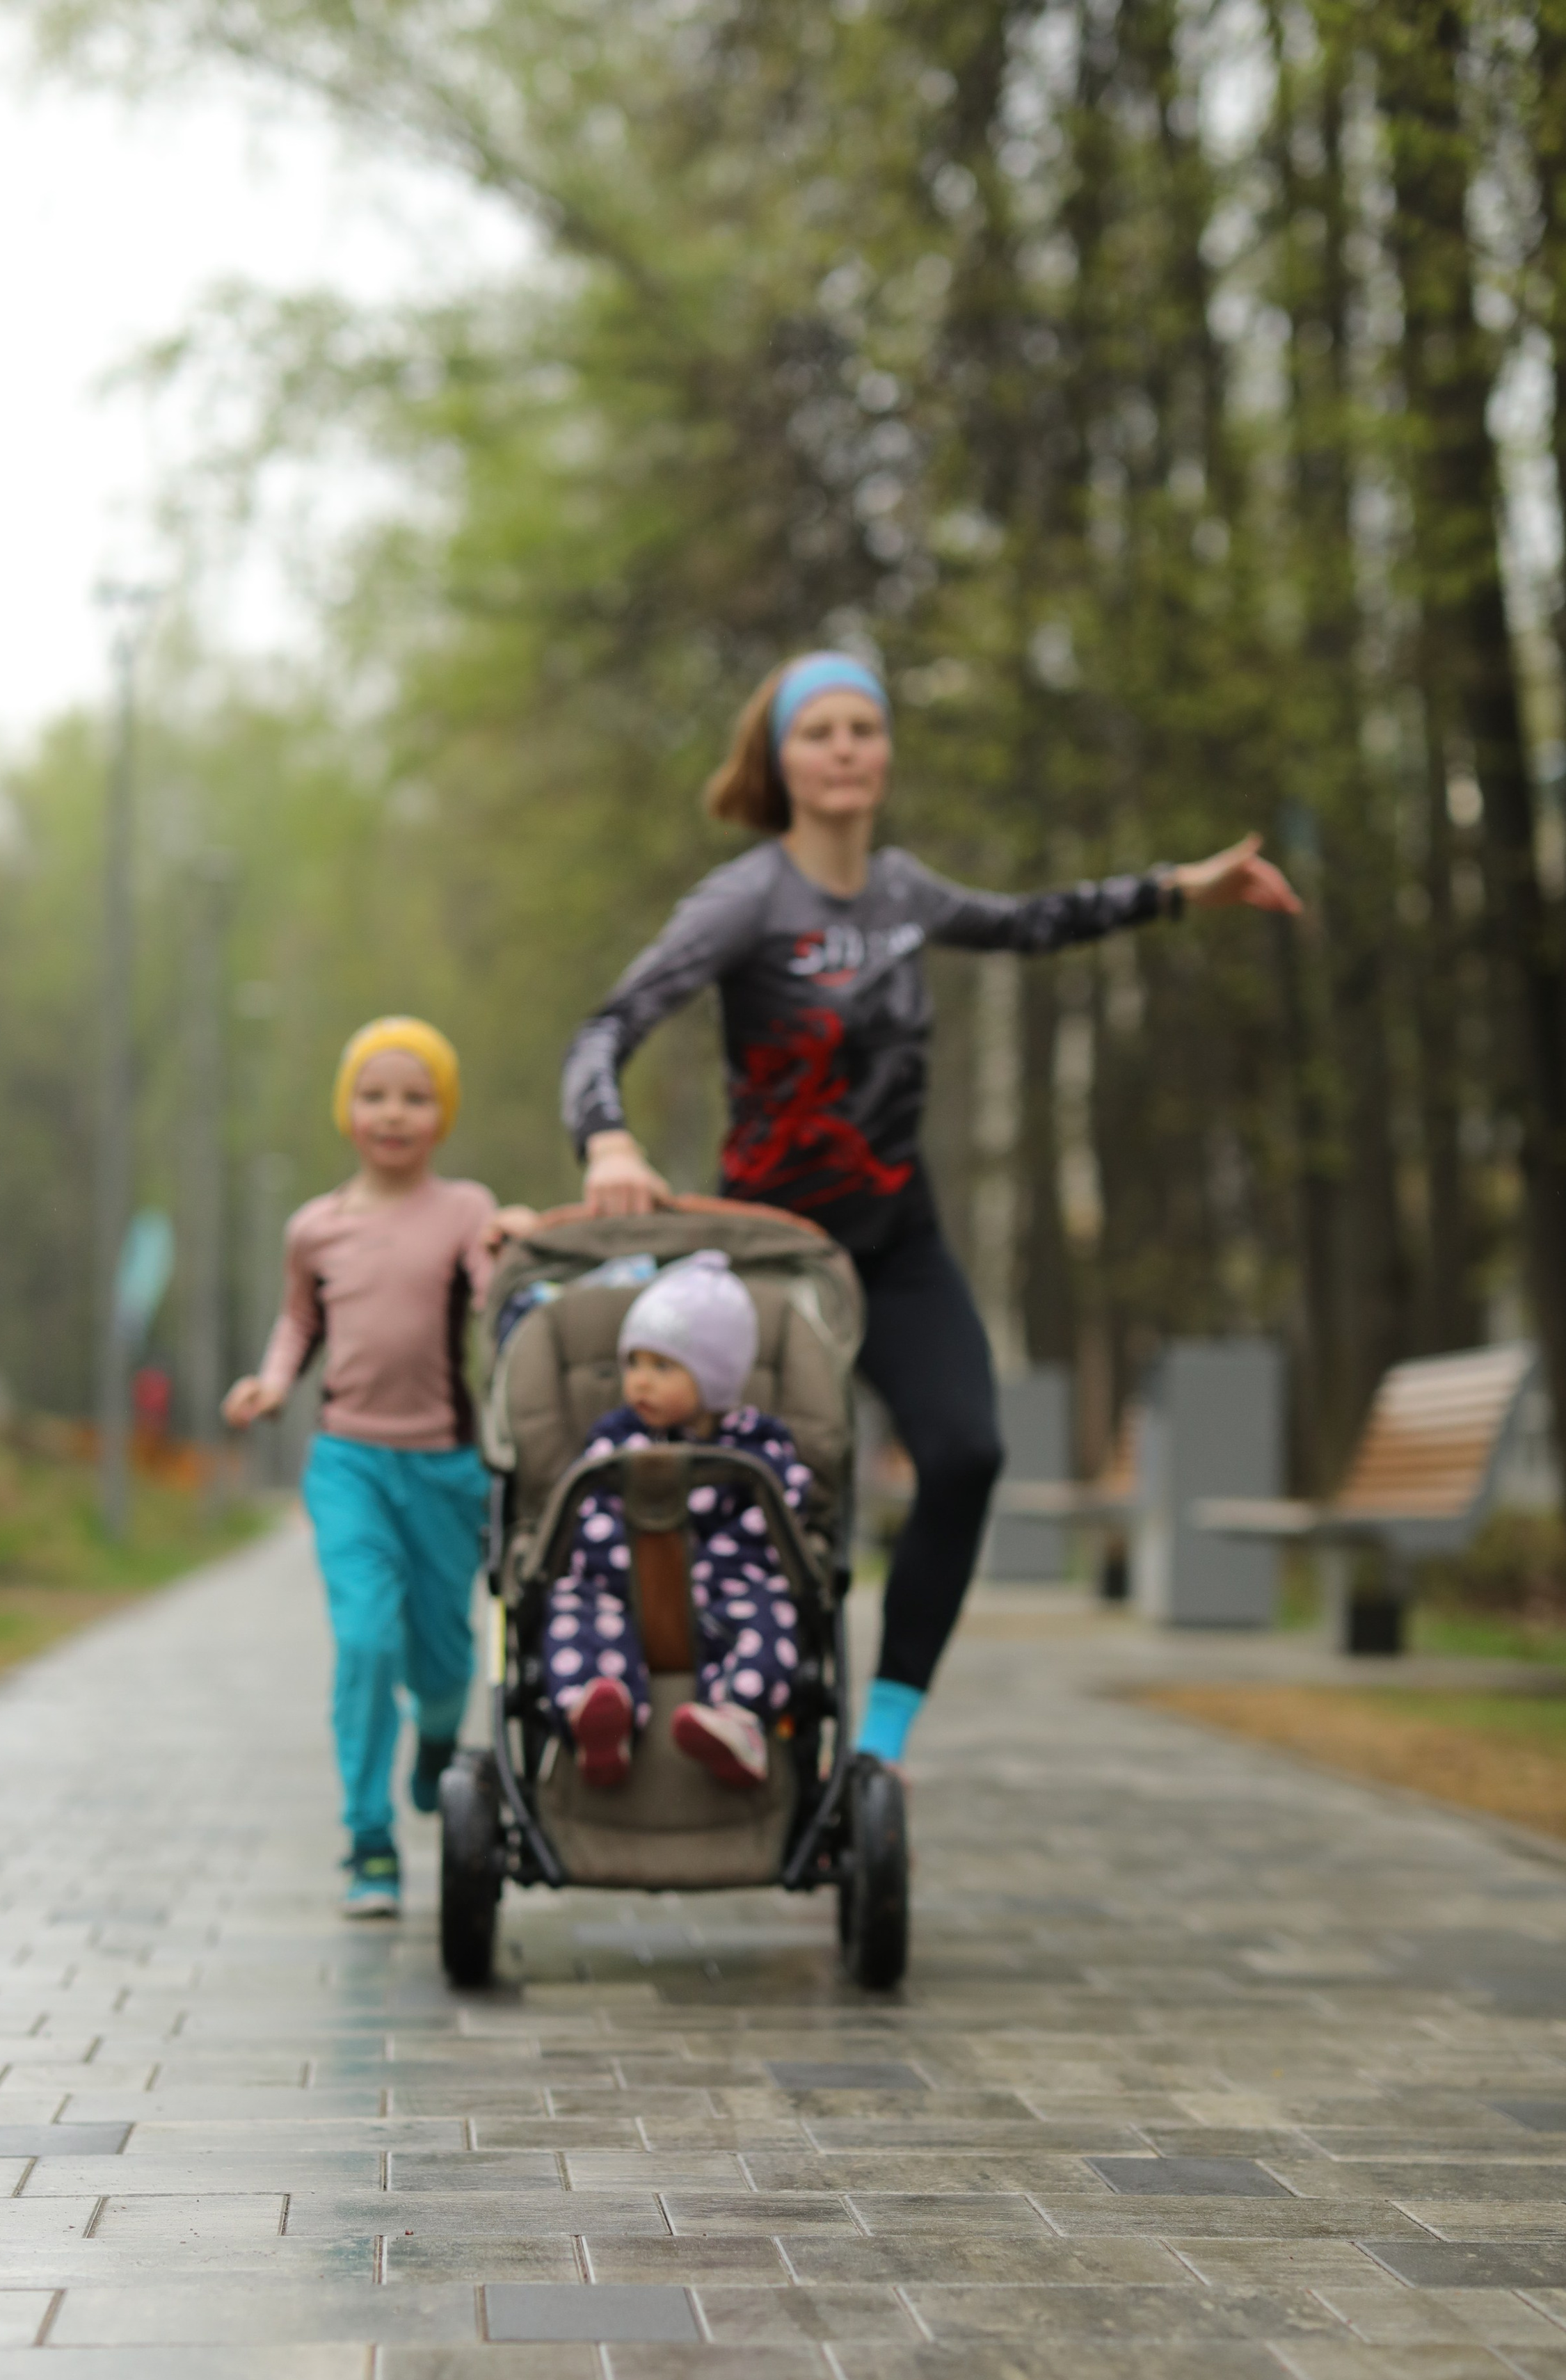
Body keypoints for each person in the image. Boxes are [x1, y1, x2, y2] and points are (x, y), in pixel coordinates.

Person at [561, 652, 1301, 1771]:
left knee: (965, 1454)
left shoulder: (906, 890)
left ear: (888, 756)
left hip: (900, 1238)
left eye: (866, 729)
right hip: (774, 1253)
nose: (847, 748)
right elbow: (605, 1029)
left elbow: (1031, 923)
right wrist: (608, 1137)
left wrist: (1176, 891)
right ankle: (760, 1713)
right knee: (777, 1489)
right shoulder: (745, 900)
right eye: (822, 732)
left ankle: (887, 1733)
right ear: (781, 761)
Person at [223, 1016, 534, 1919]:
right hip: (349, 1464)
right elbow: (299, 1323)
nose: (392, 1114)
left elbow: (498, 1300)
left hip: (447, 1470)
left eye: (415, 1097)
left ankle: (438, 1744)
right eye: (374, 1095)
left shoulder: (467, 1210)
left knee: (443, 1661)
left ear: (441, 1115)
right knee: (366, 1641)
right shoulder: (313, 1228)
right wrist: (273, 1383)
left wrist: (514, 1245)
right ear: (346, 1110)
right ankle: (369, 1842)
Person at [545, 1251, 811, 1792]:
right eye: (633, 1364)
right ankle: (600, 1713)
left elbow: (780, 1516)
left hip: (723, 1598)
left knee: (773, 1610)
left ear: (715, 1379)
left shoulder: (757, 1445)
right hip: (626, 1592)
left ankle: (737, 1718)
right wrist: (630, 1571)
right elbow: (588, 1519)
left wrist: (706, 1570)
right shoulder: (614, 1438)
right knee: (573, 1603)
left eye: (662, 1367)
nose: (640, 1382)